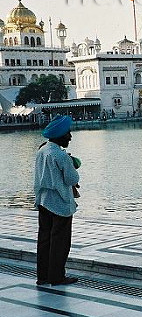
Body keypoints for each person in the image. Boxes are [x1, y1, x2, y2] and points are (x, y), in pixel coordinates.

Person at [34, 115, 80, 286]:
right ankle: (57, 276)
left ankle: (43, 276)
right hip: (59, 202)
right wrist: (71, 163)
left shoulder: (42, 150)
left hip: (44, 200)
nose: (70, 136)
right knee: (60, 241)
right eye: (67, 133)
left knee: (45, 239)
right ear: (60, 135)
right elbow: (71, 178)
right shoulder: (59, 155)